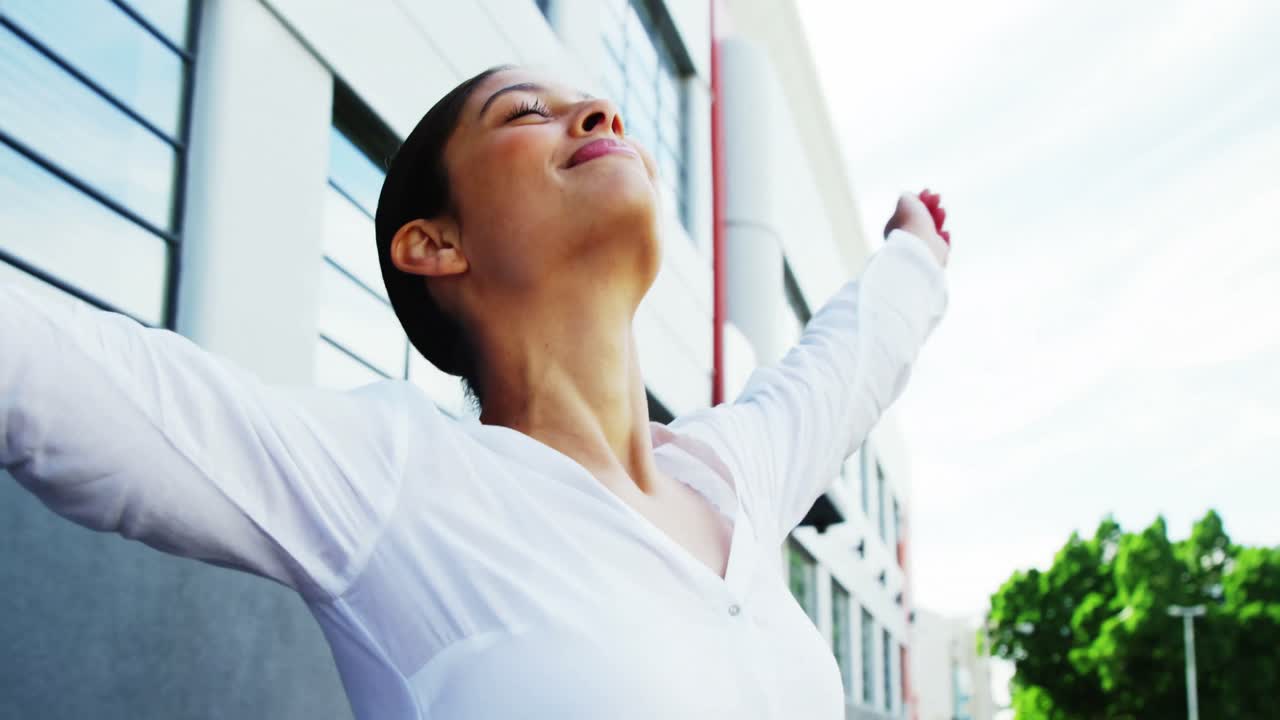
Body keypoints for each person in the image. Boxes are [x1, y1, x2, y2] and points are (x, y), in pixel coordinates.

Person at [1, 66, 950, 719]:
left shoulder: (731, 474)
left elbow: (843, 368)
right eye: (526, 111)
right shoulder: (400, 477)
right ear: (434, 243)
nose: (599, 117)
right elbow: (64, 377)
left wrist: (912, 254)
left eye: (600, 108)